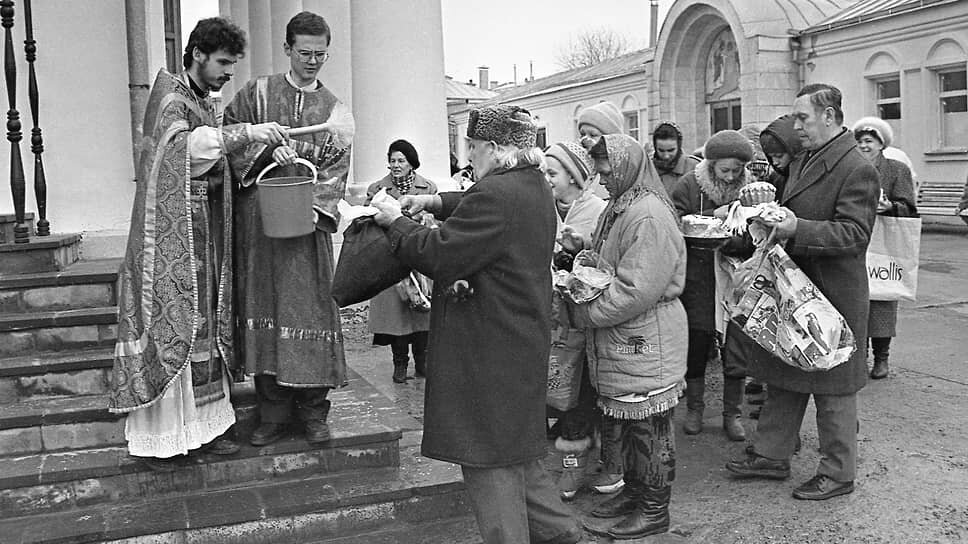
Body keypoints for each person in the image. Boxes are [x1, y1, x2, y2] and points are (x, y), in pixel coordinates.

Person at [371, 104, 583, 544]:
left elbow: (440, 254)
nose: (468, 155)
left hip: (488, 349)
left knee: (488, 458)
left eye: (472, 146)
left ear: (494, 147)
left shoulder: (498, 194)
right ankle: (560, 532)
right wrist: (433, 202)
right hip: (516, 341)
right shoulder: (531, 184)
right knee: (517, 451)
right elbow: (479, 205)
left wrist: (397, 223)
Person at [110, 18, 288, 469]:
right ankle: (166, 437)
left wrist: (266, 150)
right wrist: (246, 133)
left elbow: (222, 161)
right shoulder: (170, 97)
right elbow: (185, 150)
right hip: (171, 243)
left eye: (232, 64)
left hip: (204, 238)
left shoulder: (203, 102)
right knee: (178, 328)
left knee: (204, 328)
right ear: (197, 54)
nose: (229, 72)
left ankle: (205, 429)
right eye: (223, 62)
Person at [726, 83, 879, 501]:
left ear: (829, 116)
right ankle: (771, 455)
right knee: (785, 374)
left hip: (833, 294)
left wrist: (797, 229)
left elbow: (855, 234)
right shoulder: (807, 158)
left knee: (834, 388)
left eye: (802, 118)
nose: (796, 126)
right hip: (796, 287)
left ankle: (838, 472)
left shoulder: (857, 167)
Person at [225, 11, 354, 447]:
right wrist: (264, 151)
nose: (312, 61)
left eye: (320, 54)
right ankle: (273, 414)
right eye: (304, 53)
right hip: (262, 230)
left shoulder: (334, 109)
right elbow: (228, 137)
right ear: (287, 49)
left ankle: (314, 412)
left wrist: (315, 209)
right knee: (266, 309)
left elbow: (337, 169)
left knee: (310, 311)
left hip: (307, 234)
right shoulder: (256, 93)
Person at [560, 134, 687, 540]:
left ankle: (654, 508)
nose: (601, 178)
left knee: (651, 428)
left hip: (644, 337)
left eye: (606, 171)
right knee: (632, 426)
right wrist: (583, 248)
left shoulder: (647, 215)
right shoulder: (622, 204)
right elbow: (617, 260)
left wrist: (583, 313)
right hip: (628, 337)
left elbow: (637, 289)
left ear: (627, 168)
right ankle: (635, 493)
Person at [670, 130, 754, 442]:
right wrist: (711, 218)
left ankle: (732, 414)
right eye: (724, 170)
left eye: (737, 170)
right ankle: (695, 408)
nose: (731, 176)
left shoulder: (750, 190)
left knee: (736, 346)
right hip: (698, 277)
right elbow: (675, 222)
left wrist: (735, 241)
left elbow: (759, 229)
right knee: (697, 343)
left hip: (736, 277)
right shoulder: (689, 185)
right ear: (710, 164)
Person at [543, 141, 609, 500]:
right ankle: (570, 457)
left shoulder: (596, 210)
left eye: (552, 172)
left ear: (573, 176)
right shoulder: (544, 207)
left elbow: (605, 263)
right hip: (552, 317)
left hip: (584, 319)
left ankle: (575, 466)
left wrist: (578, 250)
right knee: (557, 389)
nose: (546, 178)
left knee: (581, 393)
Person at [852, 117, 918, 380]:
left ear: (881, 144)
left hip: (885, 246)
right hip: (857, 241)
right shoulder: (851, 169)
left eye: (869, 141)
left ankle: (882, 358)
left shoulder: (897, 169)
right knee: (856, 301)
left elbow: (909, 207)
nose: (863, 146)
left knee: (882, 301)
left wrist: (891, 207)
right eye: (859, 141)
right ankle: (860, 358)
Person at [365, 139, 436, 383]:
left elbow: (437, 220)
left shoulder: (428, 187)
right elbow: (366, 219)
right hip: (391, 259)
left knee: (423, 314)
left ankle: (422, 361)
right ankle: (400, 363)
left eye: (401, 161)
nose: (396, 165)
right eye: (392, 161)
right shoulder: (377, 189)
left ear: (411, 163)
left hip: (420, 259)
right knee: (397, 319)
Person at [652, 122, 699, 195]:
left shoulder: (695, 168)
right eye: (661, 150)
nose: (666, 156)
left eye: (671, 150)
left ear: (679, 146)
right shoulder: (648, 168)